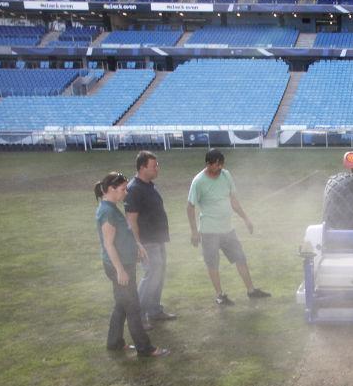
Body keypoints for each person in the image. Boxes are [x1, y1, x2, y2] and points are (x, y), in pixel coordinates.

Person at [95, 171, 169, 358]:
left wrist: (137, 246)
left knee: (121, 304)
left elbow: (123, 233)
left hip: (125, 263)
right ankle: (145, 348)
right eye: (122, 189)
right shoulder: (107, 212)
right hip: (119, 267)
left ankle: (114, 342)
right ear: (111, 189)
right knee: (133, 307)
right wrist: (120, 270)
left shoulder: (111, 207)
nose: (126, 193)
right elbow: (109, 244)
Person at [186, 149, 270, 306]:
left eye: (221, 164)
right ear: (208, 164)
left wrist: (246, 218)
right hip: (209, 230)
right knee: (213, 263)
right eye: (216, 165)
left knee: (240, 258)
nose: (219, 168)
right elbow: (190, 207)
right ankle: (220, 295)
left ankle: (251, 290)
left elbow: (233, 200)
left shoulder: (226, 175)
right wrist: (194, 231)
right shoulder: (198, 181)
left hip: (227, 229)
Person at [125, 151, 175, 329]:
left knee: (158, 275)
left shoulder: (149, 186)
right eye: (153, 166)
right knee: (151, 275)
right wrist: (138, 245)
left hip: (158, 239)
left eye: (157, 165)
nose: (157, 168)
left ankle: (154, 310)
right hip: (146, 242)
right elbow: (131, 220)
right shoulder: (134, 189)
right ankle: (137, 316)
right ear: (142, 167)